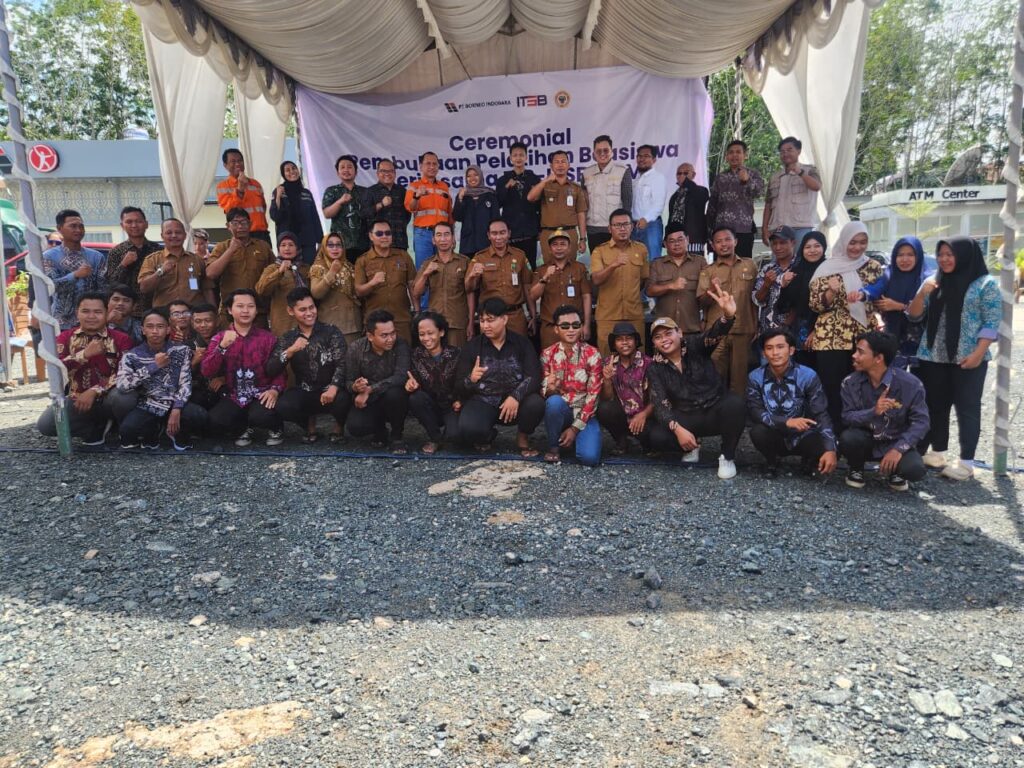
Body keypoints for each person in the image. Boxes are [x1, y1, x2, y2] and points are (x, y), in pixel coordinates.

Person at [909, 236, 1000, 481]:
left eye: (950, 254)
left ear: (965, 255)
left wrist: (978, 354)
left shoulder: (985, 284)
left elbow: (992, 323)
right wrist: (922, 294)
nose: (944, 259)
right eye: (941, 254)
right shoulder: (934, 280)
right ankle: (938, 452)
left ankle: (967, 463)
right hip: (933, 355)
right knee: (935, 405)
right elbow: (914, 315)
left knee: (967, 408)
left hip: (968, 356)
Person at [646, 283, 747, 479]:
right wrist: (678, 430)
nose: (664, 339)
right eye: (658, 337)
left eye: (668, 333)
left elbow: (715, 334)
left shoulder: (695, 345)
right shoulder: (654, 367)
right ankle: (692, 447)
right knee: (657, 436)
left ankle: (727, 457)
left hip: (714, 410)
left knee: (736, 404)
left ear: (679, 333)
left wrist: (728, 316)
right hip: (687, 416)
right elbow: (660, 404)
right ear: (654, 343)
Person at [807, 221, 883, 430]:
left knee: (864, 386)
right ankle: (835, 433)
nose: (857, 247)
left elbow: (880, 299)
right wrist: (831, 292)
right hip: (831, 338)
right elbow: (815, 305)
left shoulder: (873, 267)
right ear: (843, 241)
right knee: (833, 388)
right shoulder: (827, 268)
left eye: (862, 242)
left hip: (864, 336)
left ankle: (860, 433)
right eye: (852, 242)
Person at [36, 292, 134, 443]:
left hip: (108, 398)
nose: (91, 316)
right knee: (46, 425)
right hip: (78, 398)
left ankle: (120, 429)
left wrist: (95, 390)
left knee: (123, 399)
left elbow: (125, 373)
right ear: (77, 313)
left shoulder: (121, 339)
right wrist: (84, 354)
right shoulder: (65, 338)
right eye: (86, 311)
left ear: (107, 313)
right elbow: (57, 370)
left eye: (98, 312)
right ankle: (95, 429)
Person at [454, 297, 545, 455]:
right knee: (467, 430)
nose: (485, 326)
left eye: (490, 320)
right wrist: (471, 379)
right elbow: (458, 385)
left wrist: (516, 396)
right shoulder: (473, 346)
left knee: (536, 403)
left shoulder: (521, 343)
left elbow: (534, 376)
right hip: (484, 401)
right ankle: (487, 436)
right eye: (482, 321)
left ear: (504, 319)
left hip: (516, 404)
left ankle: (523, 436)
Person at [839, 331, 929, 491]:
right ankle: (856, 467)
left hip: (896, 441)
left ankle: (896, 470)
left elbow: (921, 422)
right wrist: (873, 411)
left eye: (860, 352)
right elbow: (847, 417)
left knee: (914, 470)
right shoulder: (850, 382)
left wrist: (898, 449)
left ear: (878, 358)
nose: (854, 355)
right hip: (865, 440)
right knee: (848, 438)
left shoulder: (911, 385)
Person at [746, 327, 837, 478]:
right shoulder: (755, 377)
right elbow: (755, 411)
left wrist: (830, 449)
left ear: (791, 350)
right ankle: (772, 460)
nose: (775, 353)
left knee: (822, 439)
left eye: (780, 347)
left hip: (803, 433)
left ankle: (809, 460)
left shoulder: (808, 375)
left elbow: (821, 412)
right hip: (774, 431)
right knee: (757, 432)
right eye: (769, 348)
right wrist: (786, 422)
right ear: (763, 353)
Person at [200, 288, 285, 446]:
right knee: (216, 420)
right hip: (234, 393)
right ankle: (243, 428)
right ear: (229, 310)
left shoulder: (268, 338)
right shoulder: (220, 337)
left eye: (250, 306)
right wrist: (222, 347)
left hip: (262, 392)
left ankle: (276, 427)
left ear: (256, 310)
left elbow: (279, 369)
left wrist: (275, 389)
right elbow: (207, 371)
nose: (245, 311)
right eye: (240, 306)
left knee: (261, 416)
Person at [267, 287, 351, 444]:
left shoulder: (331, 331)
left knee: (344, 399)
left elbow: (343, 362)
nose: (309, 313)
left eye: (311, 307)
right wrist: (290, 351)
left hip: (331, 390)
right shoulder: (288, 337)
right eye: (302, 309)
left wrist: (334, 387)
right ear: (291, 311)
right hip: (305, 390)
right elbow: (271, 369)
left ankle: (338, 428)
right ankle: (308, 426)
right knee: (284, 406)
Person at [115, 307, 204, 451]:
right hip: (148, 403)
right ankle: (155, 428)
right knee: (128, 432)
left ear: (168, 329)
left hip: (174, 401)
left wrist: (177, 409)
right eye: (150, 327)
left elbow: (185, 382)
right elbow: (122, 385)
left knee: (198, 416)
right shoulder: (132, 355)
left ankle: (175, 431)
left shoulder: (181, 350)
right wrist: (154, 366)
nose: (155, 331)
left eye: (160, 326)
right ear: (143, 330)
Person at [697, 226, 758, 396]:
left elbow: (757, 298)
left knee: (740, 381)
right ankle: (716, 411)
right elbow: (701, 303)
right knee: (715, 378)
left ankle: (738, 412)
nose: (723, 244)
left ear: (735, 241)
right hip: (717, 332)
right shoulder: (708, 271)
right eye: (718, 241)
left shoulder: (750, 265)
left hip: (743, 330)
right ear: (712, 245)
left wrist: (756, 324)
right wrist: (711, 289)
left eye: (727, 239)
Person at [540, 305, 603, 466]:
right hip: (561, 410)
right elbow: (544, 393)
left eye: (575, 325)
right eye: (565, 326)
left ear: (581, 327)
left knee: (589, 458)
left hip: (585, 413)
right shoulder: (548, 354)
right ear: (556, 329)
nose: (571, 330)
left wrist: (574, 429)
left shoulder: (592, 354)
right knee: (553, 402)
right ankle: (554, 447)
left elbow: (593, 397)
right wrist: (550, 389)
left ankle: (574, 437)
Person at [346, 308, 411, 452]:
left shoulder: (401, 345)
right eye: (384, 335)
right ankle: (379, 431)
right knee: (356, 427)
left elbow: (401, 376)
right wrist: (356, 387)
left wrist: (370, 389)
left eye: (393, 333)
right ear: (370, 336)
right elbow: (348, 381)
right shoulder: (355, 348)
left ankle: (397, 436)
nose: (390, 339)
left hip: (391, 397)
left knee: (396, 394)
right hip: (368, 401)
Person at [862, 236, 932, 370]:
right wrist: (862, 294)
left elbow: (927, 311)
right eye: (900, 255)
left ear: (918, 256)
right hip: (894, 338)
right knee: (893, 378)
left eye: (910, 255)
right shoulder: (889, 274)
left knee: (919, 380)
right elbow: (875, 288)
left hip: (921, 342)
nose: (904, 259)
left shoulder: (927, 280)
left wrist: (897, 306)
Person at [591, 209, 649, 356]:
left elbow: (643, 280)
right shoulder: (599, 251)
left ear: (632, 226)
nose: (622, 229)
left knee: (638, 358)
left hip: (634, 314)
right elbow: (596, 279)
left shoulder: (641, 249)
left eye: (626, 224)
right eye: (617, 225)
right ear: (609, 228)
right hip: (608, 316)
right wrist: (613, 265)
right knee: (607, 358)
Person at [205, 208, 275, 328]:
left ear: (250, 224)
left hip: (258, 312)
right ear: (228, 226)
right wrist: (231, 250)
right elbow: (211, 273)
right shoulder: (222, 247)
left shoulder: (263, 247)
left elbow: (273, 273)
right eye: (235, 223)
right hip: (230, 313)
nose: (240, 226)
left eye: (244, 222)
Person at [465, 219, 534, 338]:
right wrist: (472, 275)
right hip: (490, 318)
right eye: (494, 233)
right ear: (488, 235)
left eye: (502, 233)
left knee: (518, 349)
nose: (498, 237)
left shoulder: (520, 256)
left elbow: (527, 286)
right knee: (490, 349)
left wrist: (533, 315)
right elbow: (469, 288)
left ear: (509, 233)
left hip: (515, 317)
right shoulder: (480, 258)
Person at [405, 310, 462, 453]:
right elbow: (413, 379)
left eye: (430, 333)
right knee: (415, 398)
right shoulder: (415, 355)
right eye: (422, 334)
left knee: (455, 437)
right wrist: (410, 385)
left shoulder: (456, 354)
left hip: (452, 406)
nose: (426, 338)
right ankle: (435, 438)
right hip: (431, 406)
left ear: (441, 332)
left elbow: (464, 382)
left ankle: (485, 436)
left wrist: (461, 400)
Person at [41, 209, 107, 330]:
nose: (78, 230)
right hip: (62, 323)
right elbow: (49, 287)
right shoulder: (48, 257)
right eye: (73, 226)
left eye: (81, 226)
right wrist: (75, 275)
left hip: (92, 322)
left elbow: (104, 289)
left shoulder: (96, 257)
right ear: (59, 228)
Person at [596, 322, 655, 454]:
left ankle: (647, 445)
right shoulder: (608, 363)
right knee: (604, 409)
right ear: (614, 344)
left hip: (645, 416)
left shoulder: (649, 364)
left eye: (629, 338)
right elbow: (607, 398)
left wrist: (643, 415)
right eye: (619, 339)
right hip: (622, 416)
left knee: (656, 438)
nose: (624, 342)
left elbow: (658, 398)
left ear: (636, 341)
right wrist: (607, 380)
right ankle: (621, 441)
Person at [354, 219, 417, 343]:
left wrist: (417, 311)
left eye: (388, 233)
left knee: (404, 352)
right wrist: (372, 282)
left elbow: (412, 286)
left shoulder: (403, 256)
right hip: (375, 322)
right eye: (379, 233)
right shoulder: (363, 261)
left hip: (401, 320)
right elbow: (359, 291)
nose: (384, 237)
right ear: (371, 236)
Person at [529, 229, 592, 349]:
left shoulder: (579, 268)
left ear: (569, 248)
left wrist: (587, 324)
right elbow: (533, 296)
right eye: (555, 244)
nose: (559, 248)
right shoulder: (541, 270)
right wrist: (545, 277)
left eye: (563, 244)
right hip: (550, 328)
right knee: (550, 360)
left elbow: (586, 296)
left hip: (574, 328)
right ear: (549, 249)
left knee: (577, 360)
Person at [412, 221, 470, 347]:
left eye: (446, 234)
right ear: (433, 240)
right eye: (439, 235)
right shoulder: (427, 263)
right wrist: (425, 274)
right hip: (434, 323)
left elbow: (470, 293)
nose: (443, 239)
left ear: (453, 238)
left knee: (457, 356)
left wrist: (470, 321)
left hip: (457, 322)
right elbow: (416, 293)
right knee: (435, 357)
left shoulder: (464, 262)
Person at [138, 218, 215, 310]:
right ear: (162, 236)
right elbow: (144, 288)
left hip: (193, 313)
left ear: (185, 235)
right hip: (164, 314)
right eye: (169, 233)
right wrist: (161, 271)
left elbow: (207, 289)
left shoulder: (197, 260)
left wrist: (213, 311)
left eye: (178, 232)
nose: (174, 235)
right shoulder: (152, 260)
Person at [775, 231, 827, 367]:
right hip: (799, 330)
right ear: (802, 249)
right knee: (801, 369)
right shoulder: (797, 271)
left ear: (824, 247)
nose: (812, 250)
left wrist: (816, 330)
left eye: (817, 246)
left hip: (824, 331)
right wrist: (784, 285)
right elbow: (784, 305)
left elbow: (831, 307)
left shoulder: (830, 271)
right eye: (807, 247)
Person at [706, 140, 765, 258]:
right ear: (726, 156)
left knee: (743, 264)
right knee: (721, 265)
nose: (734, 155)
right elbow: (712, 205)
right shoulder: (720, 177)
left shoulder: (753, 174)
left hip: (743, 229)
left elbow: (759, 193)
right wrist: (709, 230)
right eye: (731, 152)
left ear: (745, 155)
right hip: (721, 230)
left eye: (738, 152)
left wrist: (747, 181)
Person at [527, 150, 588, 264]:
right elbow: (530, 197)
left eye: (563, 161)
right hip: (548, 233)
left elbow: (581, 214)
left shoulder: (576, 188)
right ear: (551, 166)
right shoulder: (544, 185)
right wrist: (546, 180)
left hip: (570, 233)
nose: (560, 165)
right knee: (549, 268)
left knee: (570, 267)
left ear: (568, 165)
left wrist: (582, 239)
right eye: (557, 162)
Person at [762, 137, 822, 246]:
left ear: (798, 151)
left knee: (800, 256)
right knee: (779, 257)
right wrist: (764, 228)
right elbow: (768, 205)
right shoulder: (775, 177)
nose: (785, 154)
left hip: (801, 227)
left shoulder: (810, 170)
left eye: (789, 150)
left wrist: (800, 173)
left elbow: (816, 186)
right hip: (778, 228)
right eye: (782, 151)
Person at [646, 223, 703, 333]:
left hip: (691, 328)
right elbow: (649, 291)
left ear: (687, 240)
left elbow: (705, 296)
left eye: (680, 239)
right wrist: (670, 286)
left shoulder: (700, 262)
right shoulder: (657, 264)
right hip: (665, 331)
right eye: (672, 241)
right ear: (665, 244)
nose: (676, 244)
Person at [103, 206, 162, 310]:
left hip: (155, 306)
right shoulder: (116, 251)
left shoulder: (158, 250)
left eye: (138, 221)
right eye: (129, 222)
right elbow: (111, 283)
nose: (134, 225)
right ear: (122, 225)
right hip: (127, 309)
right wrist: (123, 264)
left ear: (146, 224)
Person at [309, 233, 362, 345]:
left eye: (338, 245)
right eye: (330, 245)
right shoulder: (318, 267)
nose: (335, 248)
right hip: (333, 324)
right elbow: (316, 293)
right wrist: (331, 272)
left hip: (354, 323)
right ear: (324, 247)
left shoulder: (349, 266)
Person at [581, 135, 632, 252]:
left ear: (612, 151)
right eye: (598, 151)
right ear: (593, 153)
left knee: (619, 262)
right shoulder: (586, 173)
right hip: (593, 229)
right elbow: (583, 204)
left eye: (606, 150)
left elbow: (627, 203)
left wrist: (625, 228)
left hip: (616, 229)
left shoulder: (622, 171)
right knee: (597, 262)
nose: (602, 154)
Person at [404, 151, 454, 270]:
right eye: (428, 163)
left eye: (434, 164)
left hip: (443, 234)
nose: (432, 167)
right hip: (423, 234)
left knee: (444, 270)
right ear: (421, 166)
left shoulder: (444, 186)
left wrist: (452, 236)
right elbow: (410, 207)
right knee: (424, 270)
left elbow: (449, 214)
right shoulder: (414, 186)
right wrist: (416, 196)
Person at [496, 142, 542, 268]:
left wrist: (539, 228)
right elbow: (498, 203)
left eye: (521, 155)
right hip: (511, 231)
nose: (518, 158)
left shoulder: (534, 179)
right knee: (512, 267)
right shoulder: (503, 180)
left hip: (530, 230)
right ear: (510, 158)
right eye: (515, 155)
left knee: (530, 266)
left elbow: (540, 206)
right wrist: (506, 187)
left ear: (526, 157)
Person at [255, 231, 310, 335]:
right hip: (282, 323)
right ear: (278, 249)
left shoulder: (305, 269)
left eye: (291, 245)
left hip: (305, 320)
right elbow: (261, 290)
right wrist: (279, 272)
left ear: (297, 248)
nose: (287, 248)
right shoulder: (272, 268)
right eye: (283, 245)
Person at [269, 161, 324, 265]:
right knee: (289, 272)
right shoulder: (279, 191)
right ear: (283, 174)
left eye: (294, 168)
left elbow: (315, 217)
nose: (292, 171)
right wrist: (278, 197)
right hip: (288, 242)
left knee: (308, 270)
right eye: (287, 170)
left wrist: (320, 240)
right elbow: (275, 216)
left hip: (307, 241)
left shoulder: (306, 193)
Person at [216, 149, 270, 243]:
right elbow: (230, 210)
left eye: (240, 160)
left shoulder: (255, 184)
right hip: (241, 235)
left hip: (262, 234)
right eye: (233, 161)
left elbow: (263, 207)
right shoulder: (223, 186)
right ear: (225, 165)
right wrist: (240, 189)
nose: (237, 164)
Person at [753, 225, 799, 334]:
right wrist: (766, 285)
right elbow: (757, 299)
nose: (778, 247)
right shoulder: (767, 268)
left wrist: (785, 327)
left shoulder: (800, 267)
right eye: (774, 243)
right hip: (767, 331)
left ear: (793, 243)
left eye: (782, 243)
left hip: (792, 332)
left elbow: (802, 302)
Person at [322, 154, 369, 257]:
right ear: (338, 173)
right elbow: (327, 214)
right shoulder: (332, 191)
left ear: (356, 172)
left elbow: (371, 214)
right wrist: (340, 202)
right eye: (342, 167)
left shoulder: (365, 191)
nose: (346, 170)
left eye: (349, 167)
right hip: (340, 245)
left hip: (364, 244)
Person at [183, 303, 224, 413]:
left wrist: (224, 379)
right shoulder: (187, 346)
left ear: (218, 321)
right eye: (198, 321)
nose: (203, 325)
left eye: (208, 320)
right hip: (198, 391)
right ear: (192, 323)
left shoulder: (227, 341)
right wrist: (194, 362)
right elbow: (178, 377)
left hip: (223, 388)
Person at [630, 145, 668, 262]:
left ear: (654, 159)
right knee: (635, 264)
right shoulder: (636, 180)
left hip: (651, 225)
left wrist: (645, 219)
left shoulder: (658, 178)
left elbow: (659, 204)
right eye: (639, 156)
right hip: (634, 227)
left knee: (652, 262)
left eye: (646, 156)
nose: (642, 159)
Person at [363, 159, 411, 251]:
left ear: (395, 173)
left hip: (399, 242)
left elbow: (407, 215)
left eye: (390, 171)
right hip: (378, 244)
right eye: (383, 171)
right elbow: (364, 214)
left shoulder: (402, 191)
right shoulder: (370, 191)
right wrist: (380, 204)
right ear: (377, 173)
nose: (387, 174)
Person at [453, 166, 499, 256]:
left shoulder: (490, 195)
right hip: (468, 245)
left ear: (481, 176)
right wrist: (460, 199)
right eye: (469, 176)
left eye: (475, 175)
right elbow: (457, 217)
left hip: (487, 244)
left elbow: (496, 219)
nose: (472, 178)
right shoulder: (463, 195)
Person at [667, 162, 709, 257]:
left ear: (693, 175)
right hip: (676, 239)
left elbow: (701, 201)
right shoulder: (674, 196)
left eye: (685, 173)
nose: (682, 175)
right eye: (679, 173)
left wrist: (687, 182)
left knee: (695, 263)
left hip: (694, 239)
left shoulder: (701, 191)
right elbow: (671, 218)